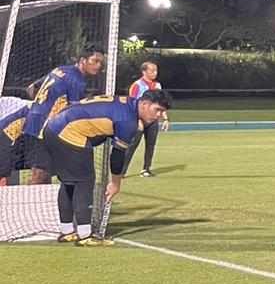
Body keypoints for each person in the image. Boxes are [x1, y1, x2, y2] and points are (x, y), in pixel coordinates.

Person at [44, 89, 172, 245]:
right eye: (157, 110)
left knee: (70, 182)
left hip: (54, 127)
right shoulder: (128, 121)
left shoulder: (128, 103)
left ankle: (67, 231)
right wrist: (115, 183)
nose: (159, 115)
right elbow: (117, 156)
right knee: (85, 182)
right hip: (69, 132)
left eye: (162, 112)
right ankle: (85, 236)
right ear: (144, 104)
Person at [22, 46, 106, 184]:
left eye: (101, 63)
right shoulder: (77, 80)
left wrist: (41, 106)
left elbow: (31, 88)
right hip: (44, 128)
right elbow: (75, 112)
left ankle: (41, 203)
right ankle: (27, 203)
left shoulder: (61, 69)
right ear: (83, 60)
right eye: (95, 61)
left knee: (44, 171)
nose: (98, 66)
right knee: (41, 173)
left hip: (34, 121)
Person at [127, 61, 167, 176]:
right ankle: (122, 170)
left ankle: (146, 169)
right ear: (144, 71)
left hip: (153, 121)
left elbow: (161, 103)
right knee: (132, 145)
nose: (155, 73)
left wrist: (165, 118)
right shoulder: (137, 85)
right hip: (140, 120)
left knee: (151, 145)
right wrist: (136, 120)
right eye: (152, 70)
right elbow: (131, 103)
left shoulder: (158, 86)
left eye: (156, 71)